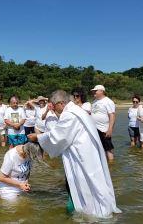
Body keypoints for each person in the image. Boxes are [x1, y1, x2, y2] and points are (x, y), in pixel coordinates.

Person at [27, 90, 121, 218]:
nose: (53, 109)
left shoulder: (69, 114)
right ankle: (97, 208)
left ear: (61, 103)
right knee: (94, 181)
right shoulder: (77, 110)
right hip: (87, 152)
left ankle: (94, 213)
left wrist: (38, 137)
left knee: (86, 181)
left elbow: (59, 136)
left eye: (54, 106)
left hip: (81, 155)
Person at [91, 85, 116, 161]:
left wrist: (110, 129)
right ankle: (104, 163)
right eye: (93, 91)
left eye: (96, 91)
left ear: (102, 91)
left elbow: (112, 115)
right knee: (100, 148)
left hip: (104, 129)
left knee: (108, 148)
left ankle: (111, 164)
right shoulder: (95, 101)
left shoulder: (108, 101)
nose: (93, 92)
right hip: (95, 129)